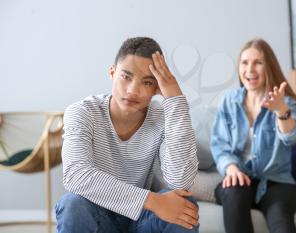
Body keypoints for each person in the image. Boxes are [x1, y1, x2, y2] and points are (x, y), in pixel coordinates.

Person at [55, 37, 199, 233]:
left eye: (146, 82)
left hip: (142, 222)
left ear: (156, 86)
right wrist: (152, 201)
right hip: (99, 216)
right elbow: (76, 175)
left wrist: (174, 97)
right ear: (112, 73)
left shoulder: (163, 118)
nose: (133, 90)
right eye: (126, 77)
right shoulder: (83, 112)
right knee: (73, 204)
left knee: (185, 203)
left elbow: (180, 182)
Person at [210, 38, 296, 233]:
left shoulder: (285, 103)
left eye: (258, 62)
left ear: (269, 66)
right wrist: (231, 169)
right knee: (234, 194)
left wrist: (281, 112)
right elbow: (219, 144)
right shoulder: (229, 101)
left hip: (277, 182)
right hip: (240, 179)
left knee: (280, 216)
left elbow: (290, 137)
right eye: (245, 62)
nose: (250, 69)